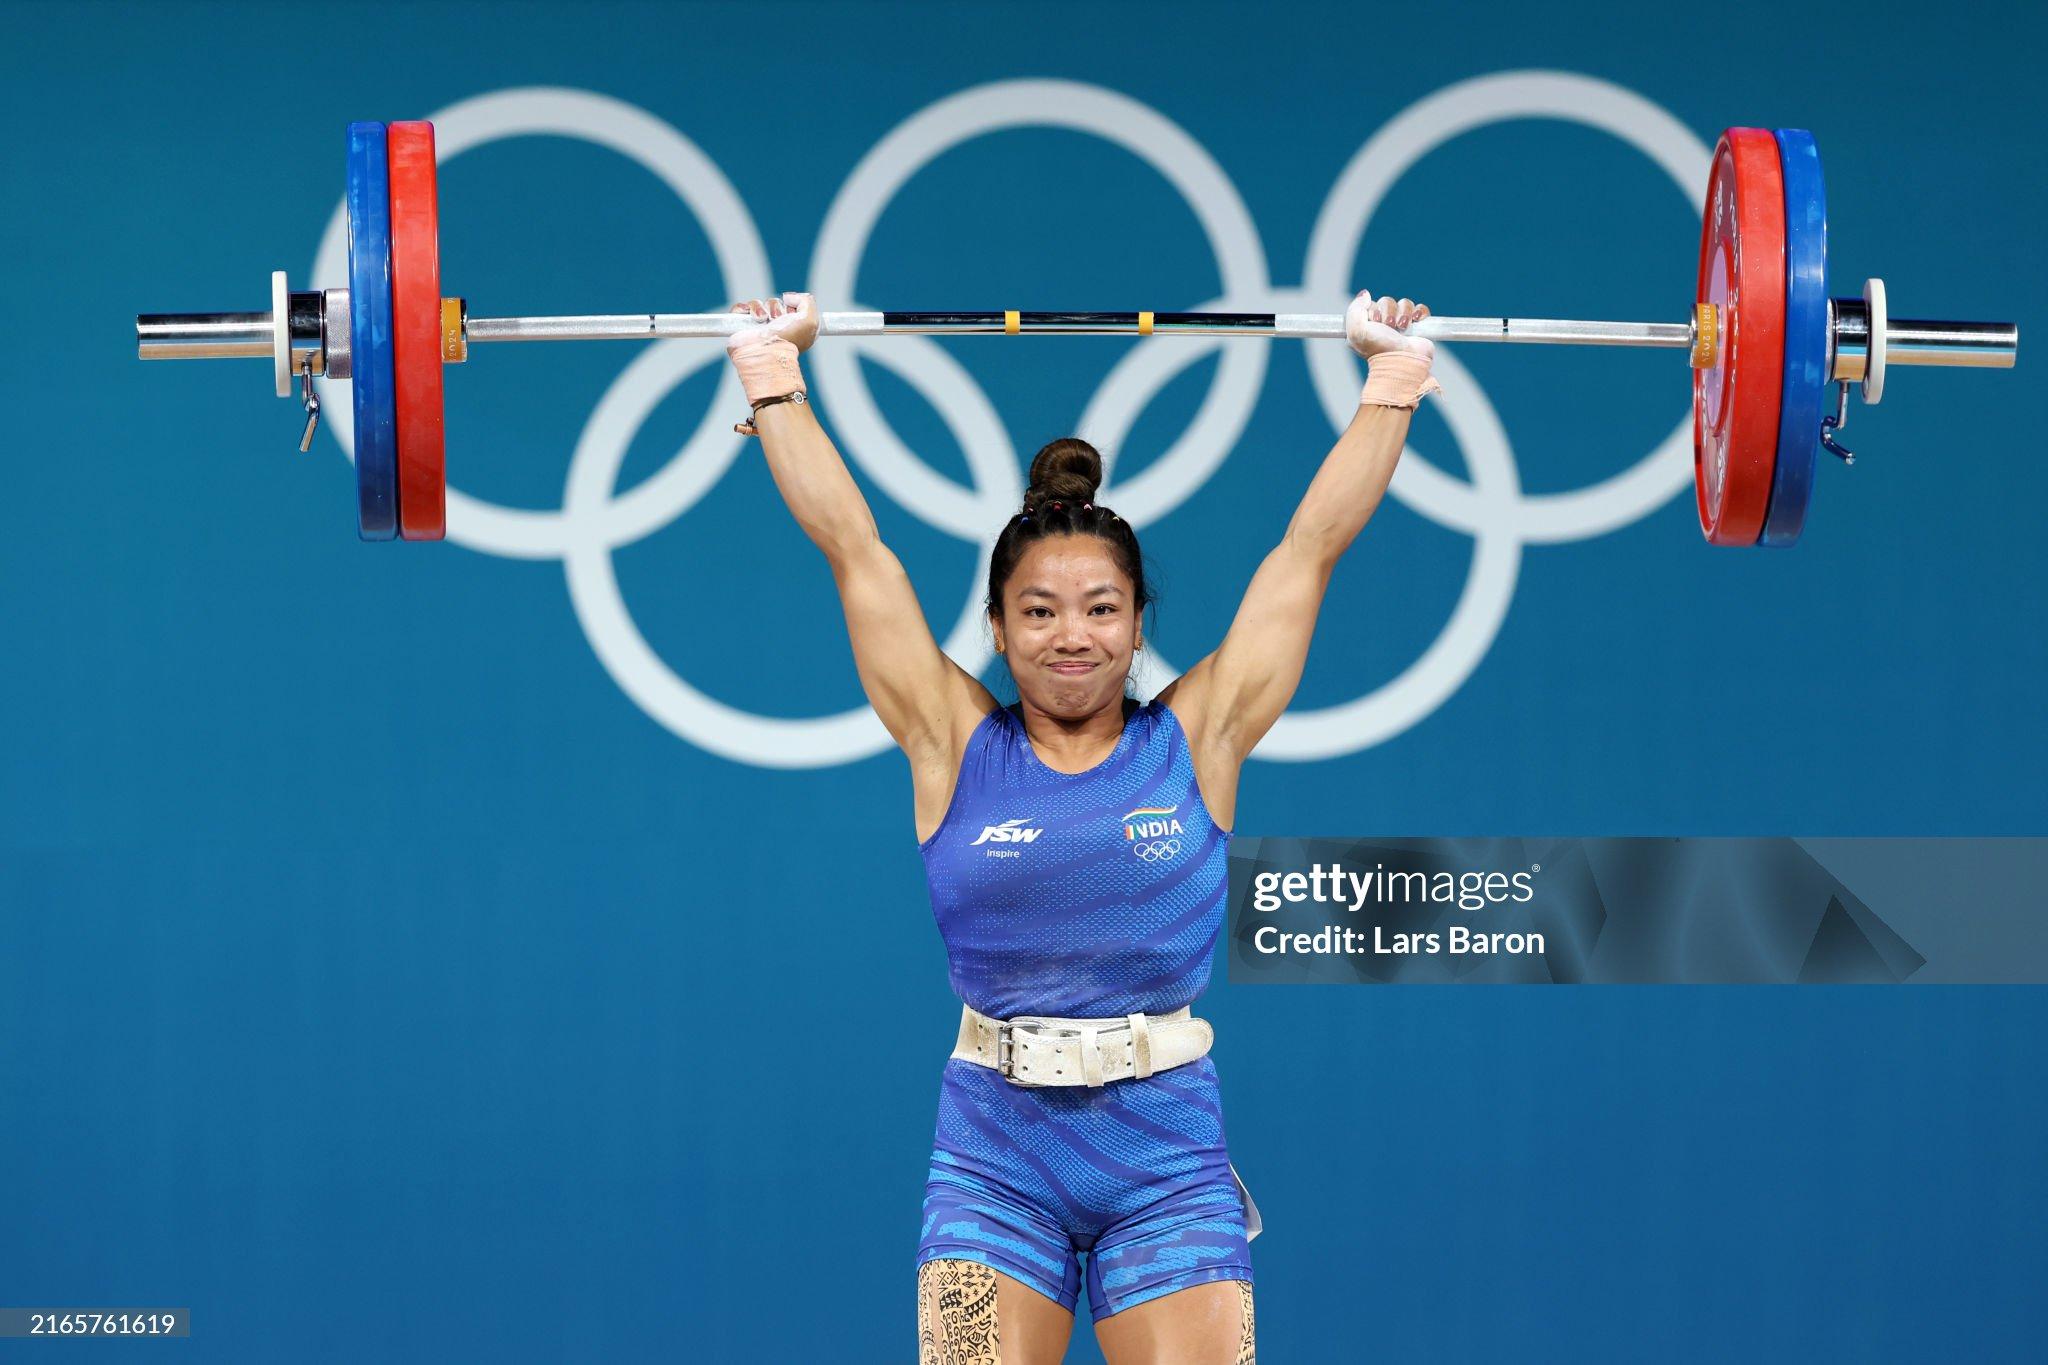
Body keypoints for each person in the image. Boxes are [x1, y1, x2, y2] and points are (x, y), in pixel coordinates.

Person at [725, 289, 1439, 1365]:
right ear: (998, 630)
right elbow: (853, 548)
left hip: (1167, 1160)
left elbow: (1307, 550)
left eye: (1101, 609)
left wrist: (1389, 385)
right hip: (988, 1158)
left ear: (1138, 624)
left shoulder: (1199, 737)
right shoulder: (947, 737)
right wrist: (772, 376)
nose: (1072, 637)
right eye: (1039, 612)